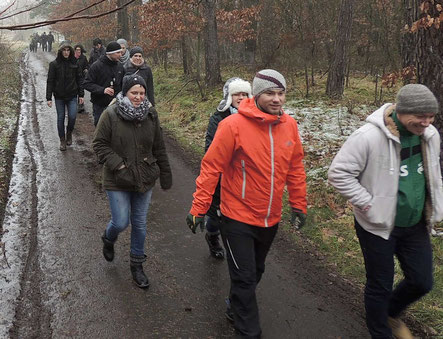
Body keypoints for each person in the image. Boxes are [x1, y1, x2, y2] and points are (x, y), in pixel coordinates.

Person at [186, 69, 307, 338]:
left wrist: (298, 203)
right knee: (244, 278)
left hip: (270, 218)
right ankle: (248, 331)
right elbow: (211, 168)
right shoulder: (232, 126)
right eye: (270, 93)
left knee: (255, 272)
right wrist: (199, 207)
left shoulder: (289, 125)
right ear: (258, 95)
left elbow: (295, 167)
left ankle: (235, 307)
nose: (277, 99)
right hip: (236, 217)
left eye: (281, 93)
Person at [328, 84, 443, 339]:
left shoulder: (429, 134)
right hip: (377, 225)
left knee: (422, 281)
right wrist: (368, 204)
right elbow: (339, 173)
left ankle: (387, 313)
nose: (426, 122)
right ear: (401, 112)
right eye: (420, 116)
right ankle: (381, 331)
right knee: (380, 284)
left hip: (415, 224)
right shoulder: (369, 136)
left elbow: (432, 173)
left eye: (430, 116)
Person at [93, 74, 172, 289]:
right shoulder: (111, 114)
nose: (138, 97)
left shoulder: (151, 114)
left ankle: (137, 265)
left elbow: (159, 146)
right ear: (125, 93)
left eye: (141, 93)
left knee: (140, 223)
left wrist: (165, 173)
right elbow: (99, 144)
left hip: (144, 177)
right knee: (120, 222)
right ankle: (109, 238)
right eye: (133, 92)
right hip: (117, 177)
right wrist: (118, 165)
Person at [202, 77, 252, 259]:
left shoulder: (257, 117)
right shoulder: (219, 118)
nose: (241, 97)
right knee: (216, 215)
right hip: (223, 177)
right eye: (237, 94)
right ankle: (212, 235)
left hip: (247, 179)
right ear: (229, 96)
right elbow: (211, 149)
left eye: (244, 93)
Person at [46, 41, 84, 151]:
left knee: (72, 117)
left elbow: (80, 79)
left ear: (70, 51)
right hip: (59, 96)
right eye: (64, 50)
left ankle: (69, 133)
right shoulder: (54, 64)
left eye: (68, 50)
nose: (66, 52)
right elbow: (50, 81)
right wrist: (48, 98)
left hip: (72, 95)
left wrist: (81, 94)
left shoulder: (75, 63)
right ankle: (62, 140)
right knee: (60, 118)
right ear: (60, 51)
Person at [83, 41, 125, 126]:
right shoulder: (96, 66)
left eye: (121, 52)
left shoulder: (120, 67)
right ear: (110, 53)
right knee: (100, 129)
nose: (121, 54)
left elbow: (123, 84)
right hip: (100, 104)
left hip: (116, 105)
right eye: (118, 52)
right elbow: (87, 83)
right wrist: (103, 90)